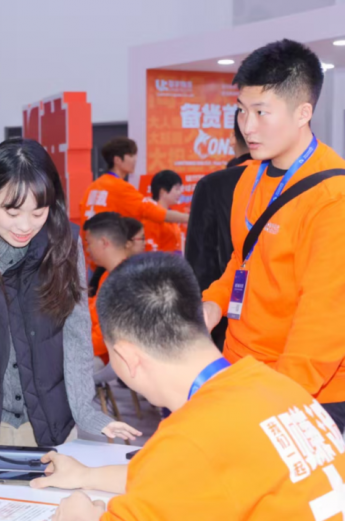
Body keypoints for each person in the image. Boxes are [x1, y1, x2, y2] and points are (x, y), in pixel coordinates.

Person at [32, 253, 345, 521]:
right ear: (201, 317)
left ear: (127, 357)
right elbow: (173, 474)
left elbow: (185, 462)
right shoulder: (277, 387)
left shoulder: (191, 438)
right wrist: (85, 475)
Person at [0, 138, 140, 461]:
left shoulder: (63, 245)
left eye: (38, 211)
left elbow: (76, 334)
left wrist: (85, 411)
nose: (25, 226)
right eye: (12, 210)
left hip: (48, 418)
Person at [201, 39, 345, 429]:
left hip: (303, 391)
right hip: (240, 367)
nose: (247, 126)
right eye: (242, 111)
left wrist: (276, 402)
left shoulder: (333, 197)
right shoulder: (250, 176)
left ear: (303, 113)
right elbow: (243, 258)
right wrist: (213, 302)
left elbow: (325, 320)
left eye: (262, 112)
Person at [186, 118, 251, 350]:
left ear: (233, 138)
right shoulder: (305, 181)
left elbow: (199, 260)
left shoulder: (213, 185)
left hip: (222, 316)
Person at [79, 138, 188, 226]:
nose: (135, 160)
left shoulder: (93, 186)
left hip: (91, 242)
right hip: (109, 243)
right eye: (131, 155)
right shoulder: (120, 187)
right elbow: (153, 211)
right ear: (117, 160)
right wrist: (188, 218)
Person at [84, 213, 141, 368]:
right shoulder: (109, 275)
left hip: (110, 358)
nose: (87, 249)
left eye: (89, 243)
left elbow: (105, 337)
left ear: (104, 242)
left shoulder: (125, 281)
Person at [142, 170, 183, 253]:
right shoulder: (151, 216)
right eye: (177, 189)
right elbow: (150, 250)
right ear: (163, 191)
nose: (180, 193)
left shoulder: (171, 215)